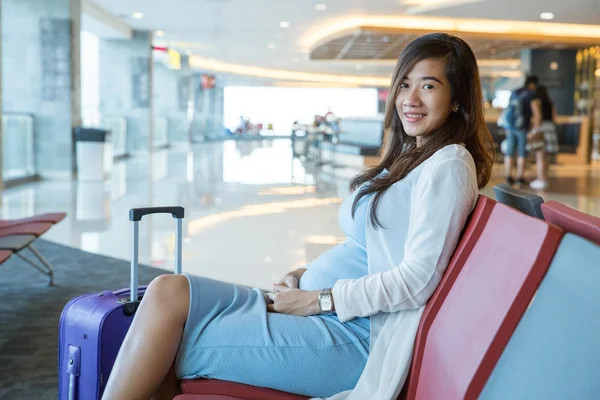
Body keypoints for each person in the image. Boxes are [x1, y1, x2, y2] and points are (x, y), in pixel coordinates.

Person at [102, 32, 494, 400]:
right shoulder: (413, 156)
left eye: (429, 86)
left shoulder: (448, 164)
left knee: (172, 338)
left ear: (458, 98)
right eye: (404, 84)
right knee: (170, 291)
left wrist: (318, 300)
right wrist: (305, 275)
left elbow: (417, 280)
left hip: (356, 335)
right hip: (324, 310)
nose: (411, 98)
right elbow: (368, 248)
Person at [502, 76, 538, 185]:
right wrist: (535, 129)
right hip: (522, 127)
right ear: (532, 84)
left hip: (510, 126)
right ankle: (519, 177)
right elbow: (536, 113)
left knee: (510, 151)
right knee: (522, 151)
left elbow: (508, 109)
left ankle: (508, 175)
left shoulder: (515, 91)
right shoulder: (531, 94)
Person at [527, 86, 559, 190]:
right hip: (551, 129)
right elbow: (554, 117)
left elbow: (538, 116)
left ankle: (541, 180)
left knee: (539, 156)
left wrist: (534, 130)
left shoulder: (536, 101)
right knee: (546, 157)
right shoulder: (550, 102)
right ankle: (545, 179)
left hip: (541, 130)